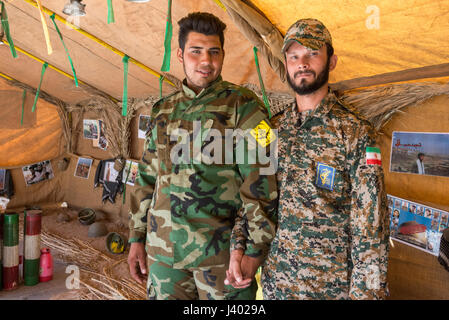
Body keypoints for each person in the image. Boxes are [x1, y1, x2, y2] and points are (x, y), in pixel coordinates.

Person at [127, 12, 278, 300]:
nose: (206, 61)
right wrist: (136, 236)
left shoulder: (246, 107)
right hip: (164, 255)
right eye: (196, 51)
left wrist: (255, 250)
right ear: (181, 54)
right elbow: (147, 177)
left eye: (214, 52)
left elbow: (263, 180)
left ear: (223, 55)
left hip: (222, 257)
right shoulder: (162, 110)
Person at [260, 18, 390, 300]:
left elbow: (371, 224)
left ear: (331, 62)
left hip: (330, 290)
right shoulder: (271, 130)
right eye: (294, 56)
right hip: (276, 286)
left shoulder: (356, 132)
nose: (302, 62)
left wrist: (367, 293)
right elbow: (253, 197)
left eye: (312, 53)